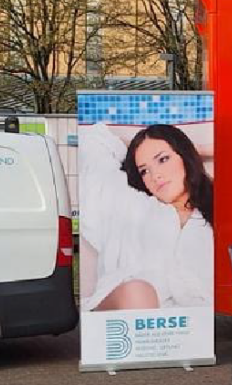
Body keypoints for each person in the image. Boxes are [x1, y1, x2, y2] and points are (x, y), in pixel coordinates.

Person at [81, 124, 214, 313]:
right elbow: (94, 139)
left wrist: (194, 149)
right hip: (127, 313)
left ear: (185, 155)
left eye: (163, 159)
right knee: (138, 293)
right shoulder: (130, 203)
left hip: (194, 319)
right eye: (144, 170)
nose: (155, 176)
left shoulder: (215, 211)